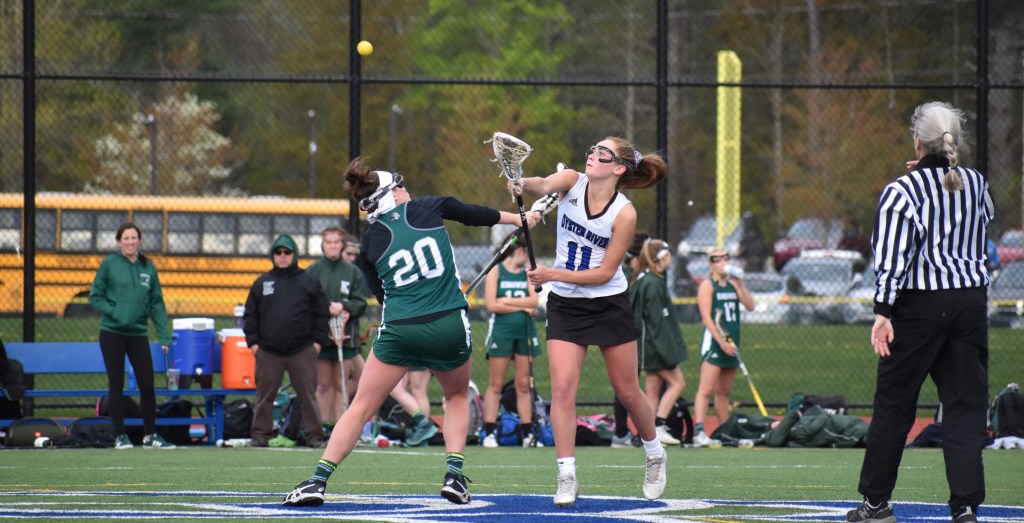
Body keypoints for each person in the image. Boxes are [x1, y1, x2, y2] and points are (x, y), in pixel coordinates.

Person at [283, 157, 539, 507]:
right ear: (390, 195)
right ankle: (454, 475)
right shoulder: (426, 208)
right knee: (456, 397)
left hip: (401, 328)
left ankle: (317, 481)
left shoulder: (370, 242)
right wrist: (519, 219)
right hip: (448, 323)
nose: (406, 190)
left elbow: (384, 296)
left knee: (360, 407)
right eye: (399, 186)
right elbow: (471, 213)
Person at [847, 101, 992, 523]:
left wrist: (882, 311)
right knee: (965, 407)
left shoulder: (902, 191)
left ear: (918, 141)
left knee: (894, 404)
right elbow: (983, 221)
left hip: (918, 306)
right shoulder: (976, 183)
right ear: (953, 142)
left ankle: (875, 503)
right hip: (969, 301)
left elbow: (891, 256)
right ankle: (965, 507)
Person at [512, 136, 669, 507]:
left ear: (618, 168)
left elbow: (603, 274)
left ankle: (654, 452)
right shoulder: (572, 180)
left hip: (608, 302)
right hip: (566, 305)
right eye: (592, 150)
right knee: (563, 388)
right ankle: (566, 474)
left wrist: (551, 274)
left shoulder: (624, 213)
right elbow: (544, 184)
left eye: (603, 154)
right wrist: (522, 183)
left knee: (628, 391)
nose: (593, 156)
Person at [88, 222, 175, 449]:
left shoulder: (148, 267)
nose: (130, 242)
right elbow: (95, 296)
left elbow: (157, 304)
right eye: (125, 238)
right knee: (116, 384)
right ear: (119, 242)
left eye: (133, 238)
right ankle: (120, 436)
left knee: (147, 384)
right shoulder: (109, 264)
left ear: (139, 240)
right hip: (112, 333)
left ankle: (150, 436)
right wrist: (114, 311)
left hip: (138, 333)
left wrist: (164, 337)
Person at [243, 235, 330, 449]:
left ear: (294, 255)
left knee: (308, 395)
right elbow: (250, 315)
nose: (282, 257)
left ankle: (314, 435)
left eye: (287, 253)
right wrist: (254, 344)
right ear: (273, 255)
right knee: (264, 396)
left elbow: (322, 313)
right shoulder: (262, 282)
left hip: (302, 349)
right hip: (268, 351)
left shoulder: (307, 281)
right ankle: (260, 435)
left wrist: (317, 343)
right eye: (278, 253)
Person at [305, 227, 368, 432]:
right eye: (328, 242)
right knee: (323, 384)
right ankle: (321, 426)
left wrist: (345, 307)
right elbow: (305, 302)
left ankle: (341, 429)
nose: (332, 246)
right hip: (321, 336)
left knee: (340, 384)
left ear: (341, 245)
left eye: (336, 242)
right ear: (323, 245)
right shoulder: (313, 271)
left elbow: (360, 303)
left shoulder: (353, 272)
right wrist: (325, 308)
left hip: (345, 336)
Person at [480, 242, 542, 448]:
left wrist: (506, 301)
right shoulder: (495, 271)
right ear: (519, 251)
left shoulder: (527, 273)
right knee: (496, 385)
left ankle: (527, 435)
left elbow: (534, 302)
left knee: (523, 385)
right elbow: (491, 305)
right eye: (527, 253)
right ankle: (489, 433)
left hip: (525, 332)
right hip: (502, 332)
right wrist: (521, 306)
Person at [692, 247, 754, 447]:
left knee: (724, 393)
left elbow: (751, 306)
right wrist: (721, 343)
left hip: (732, 344)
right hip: (716, 344)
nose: (722, 262)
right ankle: (699, 431)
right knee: (705, 389)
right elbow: (707, 318)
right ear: (711, 263)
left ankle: (724, 430)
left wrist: (741, 286)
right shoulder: (707, 286)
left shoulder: (732, 285)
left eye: (725, 258)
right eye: (717, 259)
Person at [629, 238, 687, 446]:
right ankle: (660, 425)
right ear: (661, 258)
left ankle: (646, 434)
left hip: (648, 346)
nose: (671, 259)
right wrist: (667, 352)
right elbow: (655, 324)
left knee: (652, 390)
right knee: (678, 383)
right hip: (653, 346)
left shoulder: (648, 280)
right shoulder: (652, 284)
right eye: (668, 255)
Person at [611, 231, 649, 448]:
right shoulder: (629, 276)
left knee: (628, 386)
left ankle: (644, 433)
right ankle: (622, 431)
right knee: (626, 385)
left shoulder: (640, 277)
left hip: (630, 331)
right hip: (623, 331)